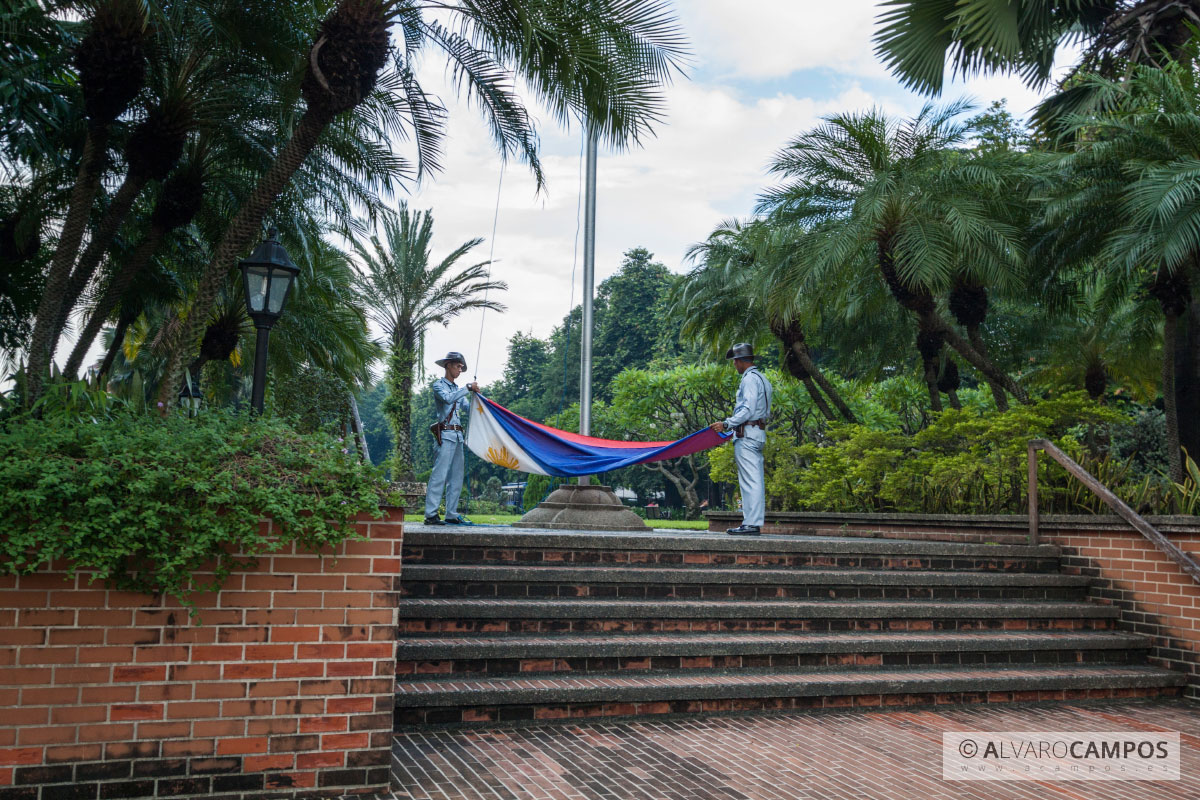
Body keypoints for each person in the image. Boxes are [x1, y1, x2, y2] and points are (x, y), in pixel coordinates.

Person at [710, 343, 772, 535]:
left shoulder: (749, 380)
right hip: (757, 432)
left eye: (734, 362)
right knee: (755, 480)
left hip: (747, 433)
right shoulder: (762, 378)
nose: (734, 365)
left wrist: (727, 423)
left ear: (739, 361)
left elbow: (747, 409)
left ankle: (751, 524)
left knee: (750, 481)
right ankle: (752, 522)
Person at [424, 351, 479, 525]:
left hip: (457, 435)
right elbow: (448, 399)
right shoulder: (439, 385)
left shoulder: (458, 389)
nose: (460, 370)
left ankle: (451, 513)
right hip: (445, 434)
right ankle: (431, 514)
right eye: (457, 366)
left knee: (457, 476)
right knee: (439, 475)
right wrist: (467, 388)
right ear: (448, 365)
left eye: (462, 367)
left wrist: (477, 397)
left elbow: (467, 406)